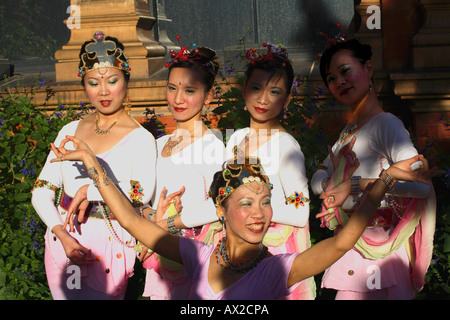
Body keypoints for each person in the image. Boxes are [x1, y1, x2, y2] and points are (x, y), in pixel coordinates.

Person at [49, 134, 440, 299]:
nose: (261, 214)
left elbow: (341, 241)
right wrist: (92, 165)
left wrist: (384, 179)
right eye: (247, 203)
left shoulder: (278, 270)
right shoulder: (196, 255)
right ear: (221, 210)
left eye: (266, 201)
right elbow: (133, 222)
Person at [31, 31, 157, 299]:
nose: (103, 91)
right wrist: (60, 233)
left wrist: (91, 191)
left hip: (111, 241)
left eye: (112, 81)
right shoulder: (70, 130)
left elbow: (141, 192)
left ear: (126, 81)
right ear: (84, 85)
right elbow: (42, 187)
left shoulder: (141, 139)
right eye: (93, 83)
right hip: (64, 239)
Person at [311, 34, 437, 299]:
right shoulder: (348, 131)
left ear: (368, 69)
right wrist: (332, 186)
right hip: (349, 242)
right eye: (331, 78)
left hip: (381, 248)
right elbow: (317, 177)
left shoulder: (387, 124)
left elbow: (420, 187)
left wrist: (352, 185)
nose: (339, 82)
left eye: (345, 71)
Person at [219, 44, 315, 299]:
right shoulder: (237, 138)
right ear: (244, 90)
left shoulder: (285, 145)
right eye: (256, 88)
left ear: (287, 99)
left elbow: (301, 210)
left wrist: (252, 210)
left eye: (274, 92)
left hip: (273, 251)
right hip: (238, 248)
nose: (263, 99)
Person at [139, 38, 226, 299]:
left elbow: (219, 203)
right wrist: (147, 217)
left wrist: (167, 224)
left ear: (208, 95)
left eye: (189, 90)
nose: (178, 98)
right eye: (172, 88)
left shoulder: (214, 147)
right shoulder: (156, 144)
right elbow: (139, 194)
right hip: (160, 253)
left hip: (197, 256)